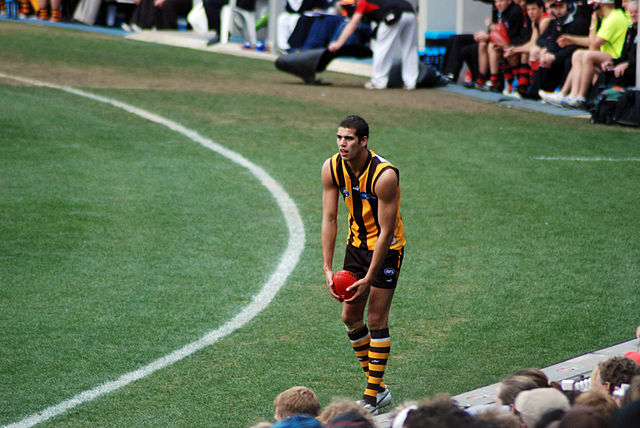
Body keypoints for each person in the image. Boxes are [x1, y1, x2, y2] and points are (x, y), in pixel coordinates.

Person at [321, 114, 405, 414]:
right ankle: (378, 387)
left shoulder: (385, 176)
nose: (342, 144)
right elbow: (329, 219)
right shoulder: (331, 167)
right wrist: (328, 268)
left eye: (349, 139)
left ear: (364, 141)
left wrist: (369, 278)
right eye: (339, 137)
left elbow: (386, 231)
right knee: (349, 316)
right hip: (356, 246)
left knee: (377, 318)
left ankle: (371, 398)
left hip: (386, 249)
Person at [540, 0, 631, 108]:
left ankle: (580, 97)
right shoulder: (609, 17)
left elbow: (593, 45)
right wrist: (572, 39)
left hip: (617, 57)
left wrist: (593, 23)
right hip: (607, 54)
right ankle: (568, 95)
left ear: (600, 5)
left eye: (593, 6)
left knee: (587, 55)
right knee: (578, 54)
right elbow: (593, 41)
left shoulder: (614, 18)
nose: (591, 9)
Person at [327, 0, 418, 89]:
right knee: (410, 49)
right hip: (410, 12)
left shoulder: (363, 2)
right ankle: (411, 82)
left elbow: (353, 23)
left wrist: (339, 43)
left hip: (393, 14)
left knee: (381, 48)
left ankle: (378, 82)